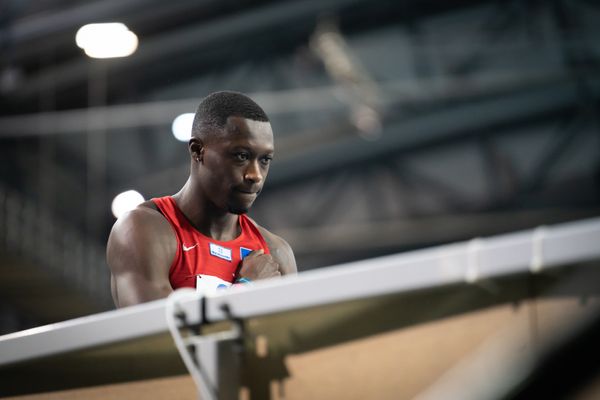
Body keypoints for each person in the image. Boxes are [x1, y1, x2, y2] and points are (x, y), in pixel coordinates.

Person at [106, 91, 297, 308]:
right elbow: (155, 332)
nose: (256, 175)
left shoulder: (276, 252)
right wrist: (244, 289)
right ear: (198, 151)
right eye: (241, 156)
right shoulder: (143, 230)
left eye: (264, 160)